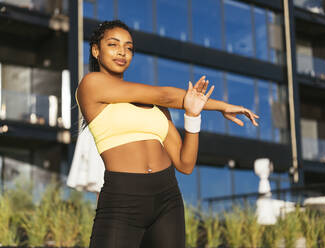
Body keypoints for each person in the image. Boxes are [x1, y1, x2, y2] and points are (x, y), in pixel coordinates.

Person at [75, 20, 259, 248]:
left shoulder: (156, 106)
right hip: (123, 198)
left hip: (167, 197)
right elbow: (165, 95)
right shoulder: (91, 85)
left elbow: (185, 164)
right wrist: (222, 106)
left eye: (129, 47)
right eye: (113, 44)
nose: (122, 52)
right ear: (96, 50)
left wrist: (193, 115)